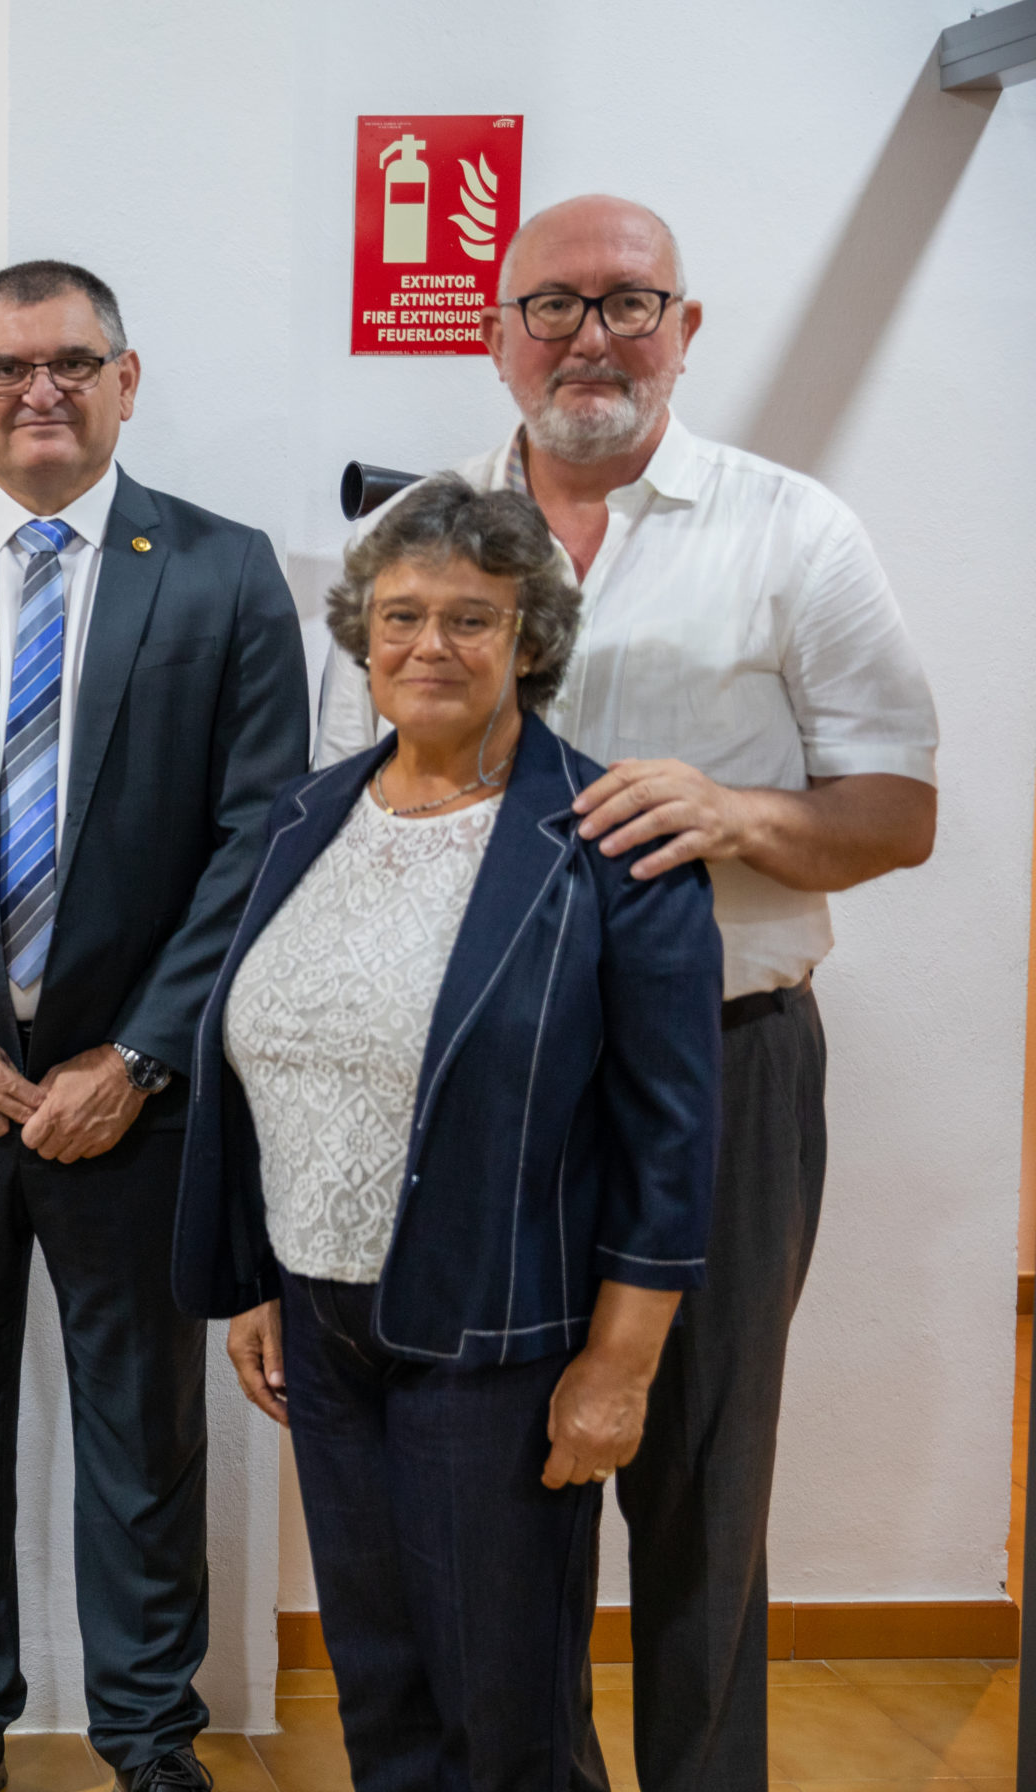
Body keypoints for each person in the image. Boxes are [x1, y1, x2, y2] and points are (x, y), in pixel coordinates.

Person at [314, 196, 939, 1785]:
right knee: (494, 1485)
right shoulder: (413, 538)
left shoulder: (790, 527)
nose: (590, 335)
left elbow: (900, 810)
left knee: (702, 1488)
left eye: (629, 301)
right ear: (492, 331)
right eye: (553, 305)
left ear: (687, 327)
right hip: (475, 1100)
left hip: (721, 1071)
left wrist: (743, 818)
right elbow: (353, 797)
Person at [0, 260, 309, 1792]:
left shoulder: (219, 570)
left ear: (128, 379)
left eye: (74, 363)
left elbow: (261, 833)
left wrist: (143, 1054)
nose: (42, 391)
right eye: (7, 367)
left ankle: (152, 1734)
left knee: (144, 1440)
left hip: (134, 1105)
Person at [183, 475, 721, 1788]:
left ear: (530, 641)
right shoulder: (305, 819)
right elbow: (265, 1057)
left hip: (500, 1334)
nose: (432, 645)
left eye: (472, 620)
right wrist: (255, 1275)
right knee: (383, 1681)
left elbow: (672, 1138)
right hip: (323, 1317)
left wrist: (620, 1369)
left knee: (507, 1701)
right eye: (403, 615)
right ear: (362, 634)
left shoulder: (606, 841)